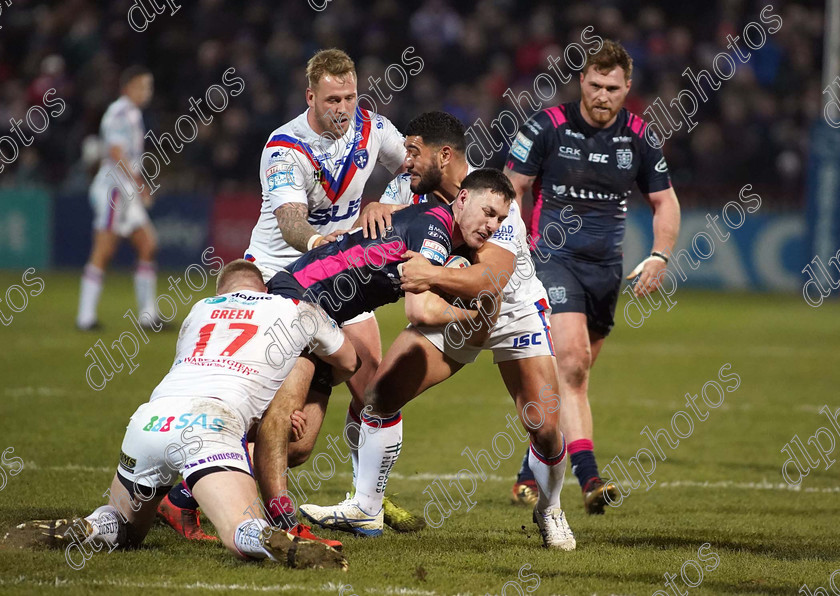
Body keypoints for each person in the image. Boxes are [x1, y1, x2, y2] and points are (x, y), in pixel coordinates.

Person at [157, 48, 413, 538]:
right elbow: (290, 220)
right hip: (283, 282)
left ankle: (366, 500)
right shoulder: (284, 147)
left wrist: (386, 202)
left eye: (351, 96)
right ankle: (186, 492)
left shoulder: (373, 128)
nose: (344, 108)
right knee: (280, 426)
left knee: (375, 388)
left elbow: (413, 165)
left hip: (341, 277)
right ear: (310, 95)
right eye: (333, 98)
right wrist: (319, 242)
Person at [299, 115, 576, 550]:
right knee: (381, 393)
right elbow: (376, 227)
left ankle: (551, 508)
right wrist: (363, 219)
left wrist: (429, 273)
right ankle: (366, 507)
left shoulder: (497, 200)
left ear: (443, 157)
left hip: (512, 312)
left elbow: (489, 281)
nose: (405, 162)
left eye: (414, 152)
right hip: (451, 309)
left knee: (542, 425)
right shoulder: (407, 189)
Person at [9, 260, 357, 569]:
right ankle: (264, 538)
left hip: (150, 419)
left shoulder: (200, 308)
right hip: (213, 422)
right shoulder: (296, 308)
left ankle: (93, 526)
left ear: (222, 291)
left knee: (126, 527)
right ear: (264, 289)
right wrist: (287, 409)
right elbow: (348, 362)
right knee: (241, 528)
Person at [503, 40, 681, 514]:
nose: (603, 95)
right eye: (596, 85)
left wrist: (661, 255)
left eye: (613, 88)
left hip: (606, 272)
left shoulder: (640, 137)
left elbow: (665, 201)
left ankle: (530, 466)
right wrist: (515, 251)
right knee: (574, 365)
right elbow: (512, 187)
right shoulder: (547, 126)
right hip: (552, 261)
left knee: (569, 379)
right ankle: (589, 478)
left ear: (627, 89)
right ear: (582, 81)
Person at [76, 66, 159, 331]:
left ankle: (148, 316)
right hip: (114, 190)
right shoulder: (119, 112)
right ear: (128, 88)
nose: (147, 92)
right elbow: (114, 151)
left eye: (148, 87)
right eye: (142, 86)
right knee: (104, 249)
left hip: (126, 190)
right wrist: (139, 183)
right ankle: (85, 317)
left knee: (148, 244)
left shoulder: (133, 114)